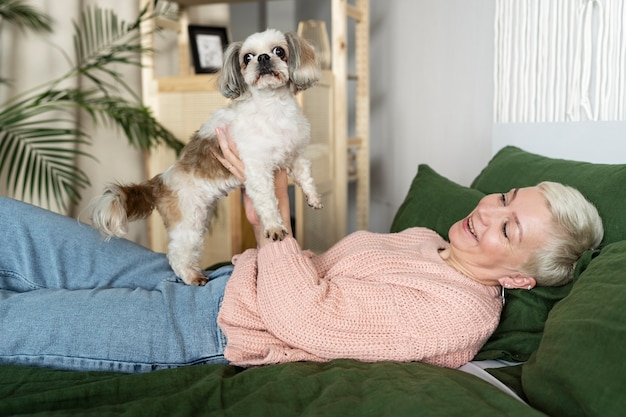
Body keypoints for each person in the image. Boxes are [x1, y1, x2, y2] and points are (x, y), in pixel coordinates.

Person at [0, 128, 604, 373]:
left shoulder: (458, 315)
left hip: (207, 328)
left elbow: (307, 319)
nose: (487, 213)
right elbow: (316, 277)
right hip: (204, 278)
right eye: (503, 198)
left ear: (523, 279)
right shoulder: (428, 241)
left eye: (508, 230)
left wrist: (272, 216)